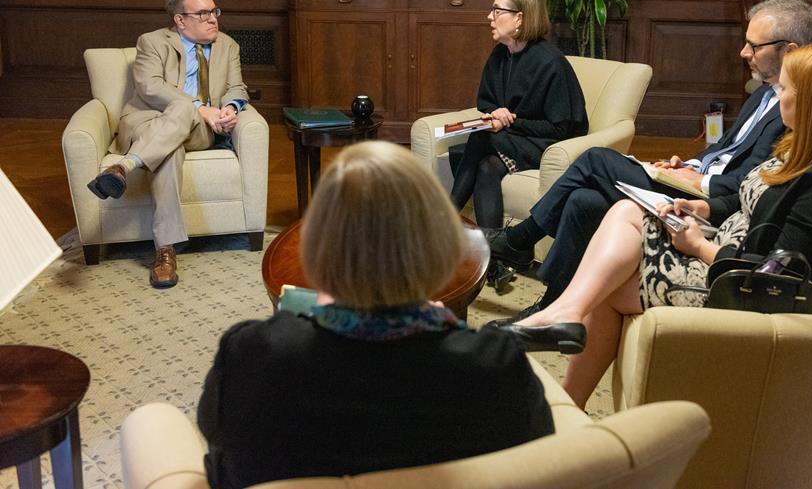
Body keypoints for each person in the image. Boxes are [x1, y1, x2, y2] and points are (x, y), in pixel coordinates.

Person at [498, 43, 812, 408]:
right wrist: (704, 208)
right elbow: (748, 200)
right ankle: (567, 326)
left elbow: (778, 273)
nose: (779, 95)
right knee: (625, 211)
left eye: (786, 89)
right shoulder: (806, 147)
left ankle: (569, 368)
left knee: (609, 278)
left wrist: (698, 247)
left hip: (745, 288)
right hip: (730, 252)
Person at [197, 141, 554, 489]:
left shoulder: (254, 353)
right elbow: (541, 456)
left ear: (316, 249)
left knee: (153, 424)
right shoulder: (497, 366)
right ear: (444, 250)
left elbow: (214, 431)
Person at [487, 0, 812, 319]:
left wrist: (700, 179)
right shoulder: (763, 92)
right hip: (693, 185)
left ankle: (520, 239)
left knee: (596, 159)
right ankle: (554, 304)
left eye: (754, 45)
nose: (743, 52)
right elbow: (724, 149)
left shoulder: (798, 112)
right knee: (583, 200)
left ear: (789, 50)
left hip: (709, 203)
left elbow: (750, 181)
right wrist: (690, 164)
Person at [86, 0, 249, 289]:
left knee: (184, 116)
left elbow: (237, 87)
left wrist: (230, 106)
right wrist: (200, 108)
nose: (213, 18)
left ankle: (124, 167)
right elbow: (150, 87)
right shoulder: (151, 42)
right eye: (202, 13)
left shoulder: (228, 46)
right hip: (146, 123)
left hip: (200, 132)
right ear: (179, 19)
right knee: (170, 146)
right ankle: (166, 251)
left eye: (214, 11)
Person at [449, 0, 587, 233]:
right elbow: (486, 102)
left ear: (519, 18)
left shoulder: (551, 62)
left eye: (497, 11)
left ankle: (443, 219)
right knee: (487, 167)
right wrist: (498, 112)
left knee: (481, 137)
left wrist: (510, 121)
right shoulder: (501, 54)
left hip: (545, 143)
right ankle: (493, 252)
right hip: (513, 138)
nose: (489, 17)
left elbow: (562, 128)